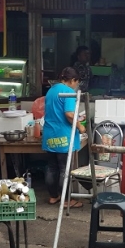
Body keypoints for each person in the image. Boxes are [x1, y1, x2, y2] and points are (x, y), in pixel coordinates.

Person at [43, 67, 86, 208]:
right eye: (76, 82)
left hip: (49, 134)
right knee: (64, 169)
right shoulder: (68, 92)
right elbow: (69, 114)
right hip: (63, 136)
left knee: (52, 168)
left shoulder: (51, 90)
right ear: (72, 80)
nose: (76, 85)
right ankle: (67, 200)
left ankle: (53, 197)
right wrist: (80, 126)